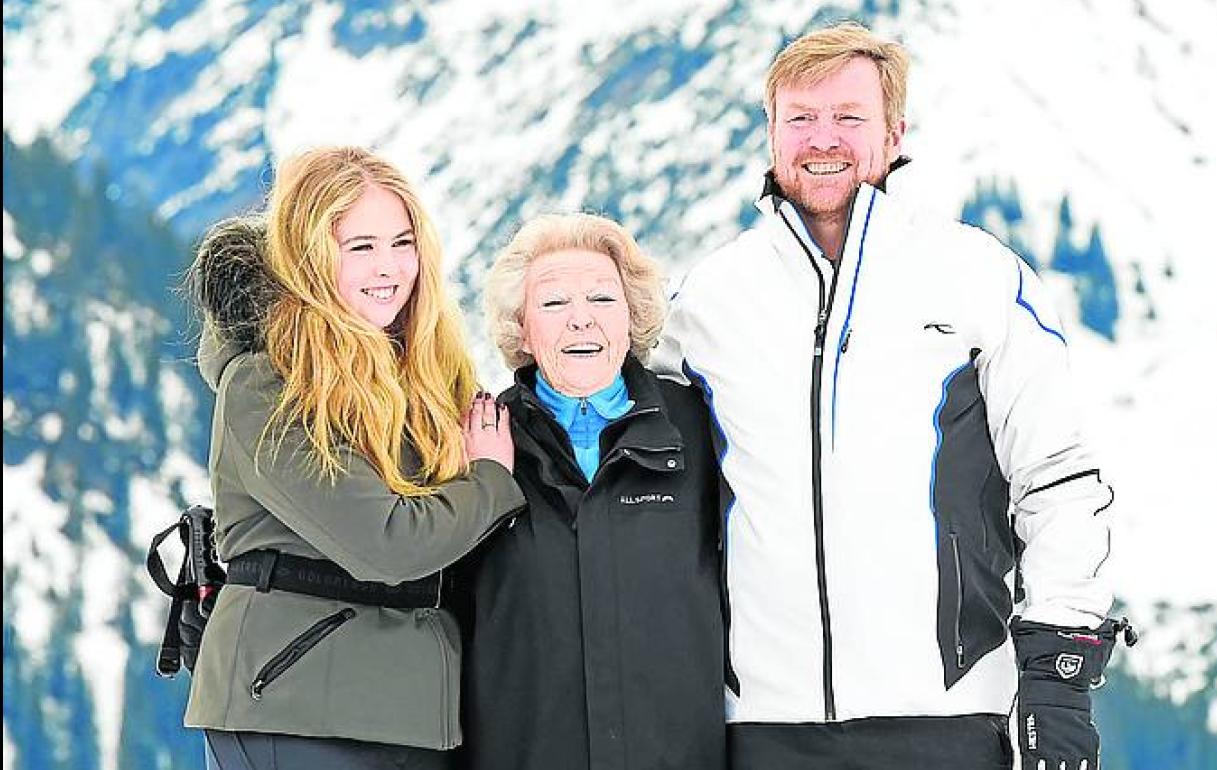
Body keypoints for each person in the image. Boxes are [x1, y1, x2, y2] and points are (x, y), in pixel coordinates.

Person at [652, 21, 1132, 770]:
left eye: (849, 117)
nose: (823, 139)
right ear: (771, 132)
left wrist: (1060, 671)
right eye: (801, 118)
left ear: (893, 131)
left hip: (946, 714)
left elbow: (1060, 478)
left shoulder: (975, 276)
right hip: (763, 724)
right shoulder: (709, 302)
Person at [182, 146, 526, 770]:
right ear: (311, 258)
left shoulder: (426, 376)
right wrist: (490, 481)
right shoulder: (266, 384)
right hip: (293, 704)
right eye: (360, 247)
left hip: (418, 712)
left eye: (402, 243)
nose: (389, 268)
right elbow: (387, 543)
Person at [452, 213, 726, 770]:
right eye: (553, 305)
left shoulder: (701, 431)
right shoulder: (475, 440)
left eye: (602, 300)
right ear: (522, 328)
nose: (581, 321)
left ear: (632, 318)